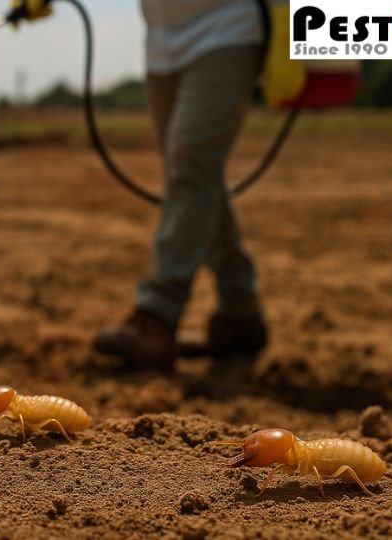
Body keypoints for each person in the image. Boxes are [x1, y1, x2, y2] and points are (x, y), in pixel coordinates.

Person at [92, 0, 270, 370]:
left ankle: (157, 314)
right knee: (193, 176)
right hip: (162, 41)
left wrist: (288, 30)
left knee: (191, 170)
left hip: (229, 28)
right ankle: (240, 315)